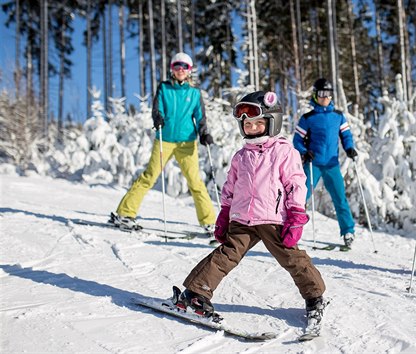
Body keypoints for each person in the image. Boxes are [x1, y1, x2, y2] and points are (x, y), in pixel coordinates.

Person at [174, 91, 327, 327]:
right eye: (247, 124)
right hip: (242, 220)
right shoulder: (241, 156)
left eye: (258, 123)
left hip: (272, 219)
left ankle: (315, 297)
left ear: (271, 122)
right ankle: (195, 293)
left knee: (292, 258)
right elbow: (230, 188)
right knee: (225, 255)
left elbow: (296, 183)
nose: (252, 128)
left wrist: (296, 215)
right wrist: (225, 213)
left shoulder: (283, 151)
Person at [109, 52, 217, 238]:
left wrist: (204, 133)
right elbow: (157, 108)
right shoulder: (164, 88)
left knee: (195, 182)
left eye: (184, 67)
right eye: (177, 66)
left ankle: (210, 223)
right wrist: (157, 118)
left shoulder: (194, 93)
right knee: (149, 176)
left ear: (189, 70)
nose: (180, 70)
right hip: (165, 140)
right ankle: (124, 214)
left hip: (186, 142)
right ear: (172, 69)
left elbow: (200, 117)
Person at [293, 78, 358, 248]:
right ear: (315, 95)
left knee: (340, 198)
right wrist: (304, 152)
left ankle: (348, 231)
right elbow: (297, 140)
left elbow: (346, 136)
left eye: (328, 94)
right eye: (321, 94)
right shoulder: (308, 118)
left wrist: (349, 148)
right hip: (313, 164)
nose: (325, 97)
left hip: (331, 164)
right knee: (301, 197)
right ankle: (292, 228)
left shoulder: (338, 116)